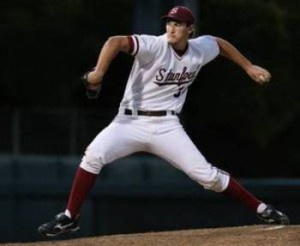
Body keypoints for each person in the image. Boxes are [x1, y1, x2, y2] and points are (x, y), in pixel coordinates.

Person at [38, 6, 289, 237]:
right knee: (93, 155)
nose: (171, 27)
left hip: (167, 126)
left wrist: (248, 67)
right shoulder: (153, 45)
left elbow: (219, 44)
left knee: (208, 177)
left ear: (190, 29)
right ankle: (70, 216)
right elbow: (114, 42)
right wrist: (99, 71)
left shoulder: (200, 48)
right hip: (129, 122)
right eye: (169, 22)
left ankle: (262, 208)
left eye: (178, 24)